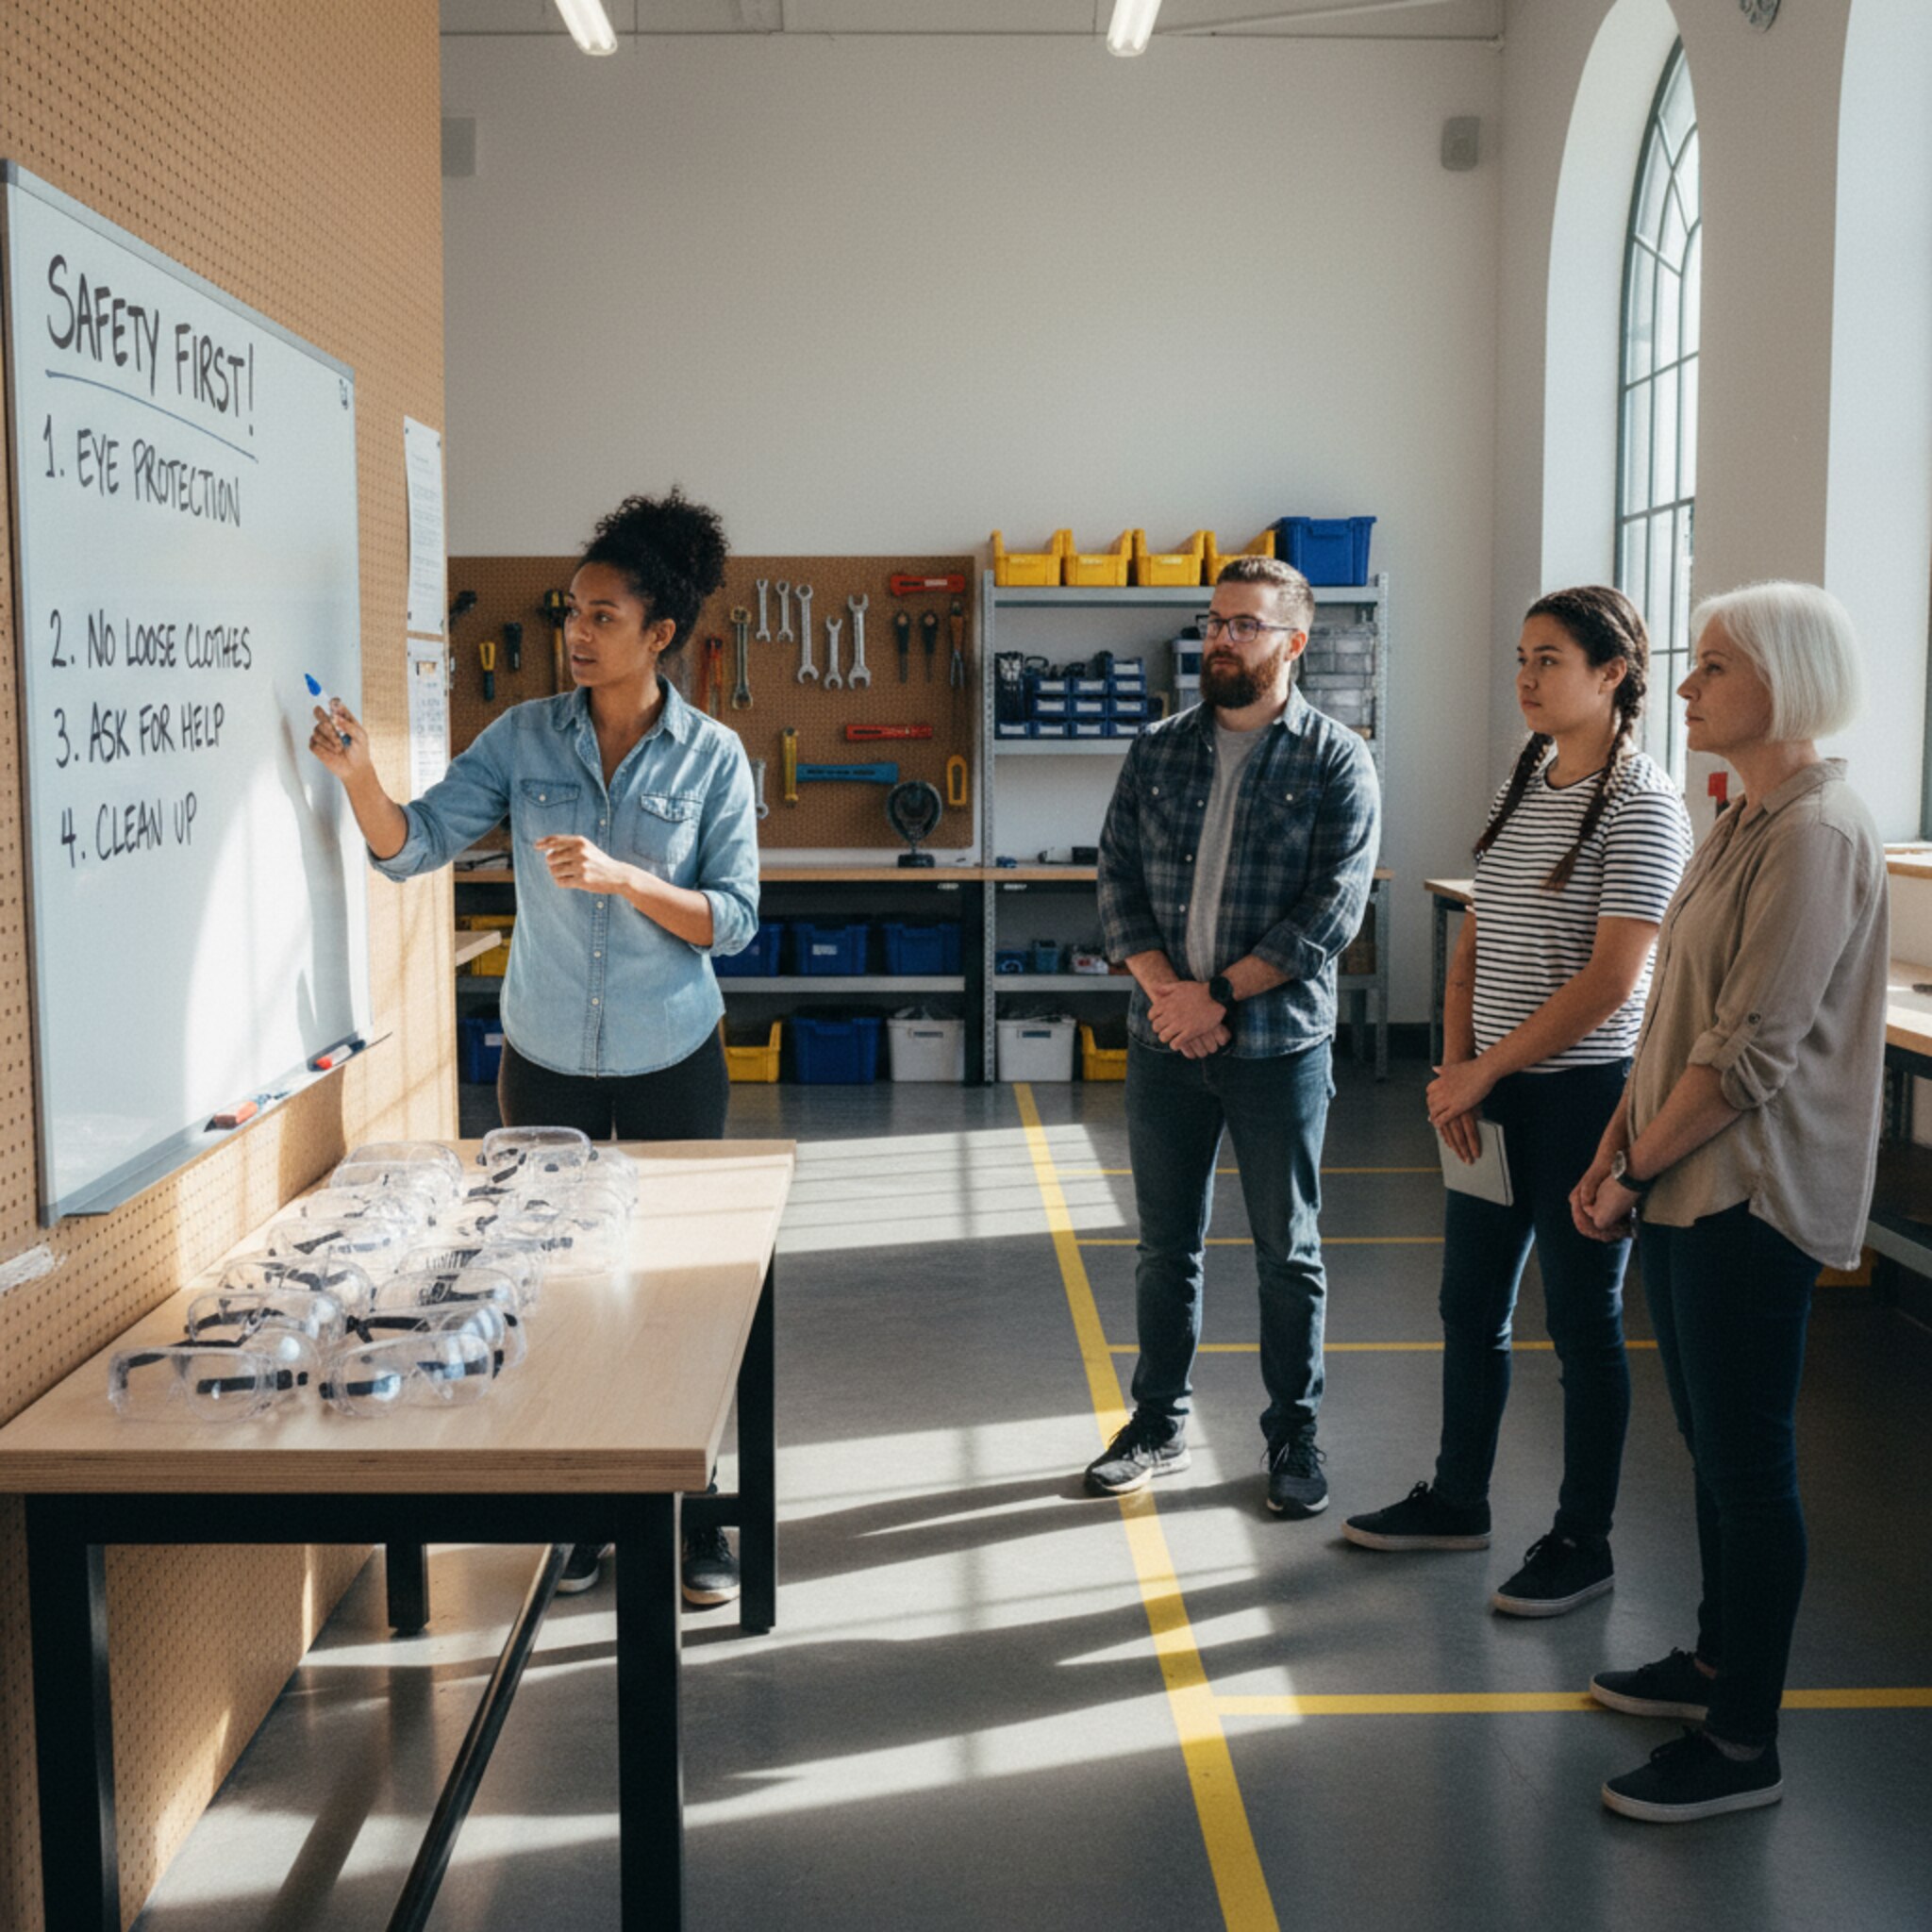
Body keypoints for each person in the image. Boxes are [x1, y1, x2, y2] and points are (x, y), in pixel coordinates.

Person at [308, 488, 758, 1607]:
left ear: (659, 632)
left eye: (604, 615)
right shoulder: (521, 737)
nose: (577, 632)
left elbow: (735, 919)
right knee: (551, 1286)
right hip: (545, 1056)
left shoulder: (712, 757)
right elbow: (414, 845)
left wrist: (626, 878)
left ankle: (695, 1515)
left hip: (672, 1059)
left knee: (679, 1293)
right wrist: (358, 776)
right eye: (572, 610)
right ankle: (588, 1513)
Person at [1571, 582, 1884, 1823]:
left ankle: (1743, 1738)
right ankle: (1712, 1662)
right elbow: (1670, 1023)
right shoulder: (1741, 816)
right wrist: (1615, 1147)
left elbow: (1748, 1054)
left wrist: (1631, 1169)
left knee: (1748, 1465)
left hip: (1747, 1194)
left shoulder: (1817, 833)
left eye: (1712, 667)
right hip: (1681, 1178)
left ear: (1783, 682)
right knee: (1709, 1447)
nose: (1686, 686)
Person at [1343, 589, 1690, 1615]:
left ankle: (1583, 1541)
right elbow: (1477, 934)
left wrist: (1485, 1070)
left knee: (1581, 1323)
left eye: (1548, 660)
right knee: (1469, 1306)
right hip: (1487, 1091)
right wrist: (1453, 1067)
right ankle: (1458, 1499)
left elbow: (1611, 981)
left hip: (1582, 1098)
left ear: (1610, 674)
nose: (1525, 679)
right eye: (1521, 658)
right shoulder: (1526, 777)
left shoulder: (1644, 803)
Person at [1088, 556, 1381, 1517]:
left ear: (1294, 642)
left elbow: (1331, 912)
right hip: (1163, 1042)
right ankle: (1156, 1423)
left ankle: (1292, 1432)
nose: (1219, 639)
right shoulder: (1157, 749)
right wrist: (1167, 996)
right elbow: (1115, 879)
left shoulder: (1335, 759)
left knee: (1286, 1252)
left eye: (1244, 625)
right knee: (1163, 1247)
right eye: (1214, 621)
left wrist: (1214, 995)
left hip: (1276, 1048)